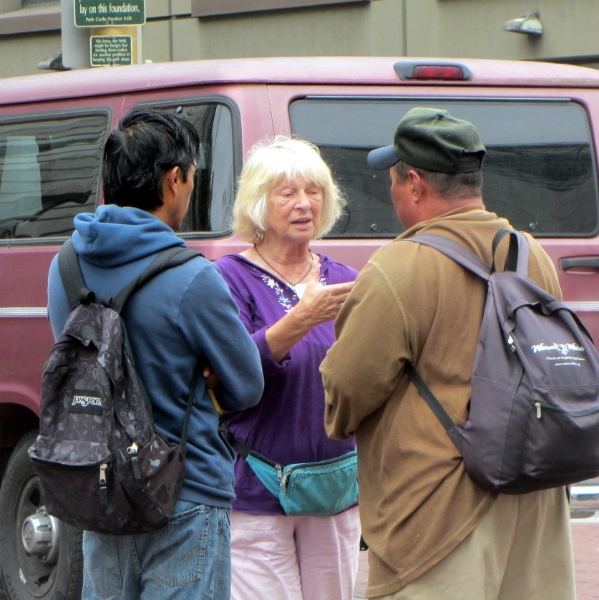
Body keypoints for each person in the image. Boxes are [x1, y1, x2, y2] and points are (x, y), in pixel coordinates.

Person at [321, 107, 576, 600]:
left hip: (439, 511)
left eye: (394, 179)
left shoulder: (398, 267)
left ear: (414, 183)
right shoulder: (530, 252)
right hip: (535, 495)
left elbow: (348, 390)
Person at [46, 108, 264, 599]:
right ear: (173, 181)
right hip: (183, 492)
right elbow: (248, 385)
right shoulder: (192, 276)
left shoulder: (65, 267)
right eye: (191, 177)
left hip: (100, 490)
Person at [215, 136, 361, 600]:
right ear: (260, 204)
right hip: (258, 489)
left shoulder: (344, 280)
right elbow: (228, 371)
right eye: (288, 192)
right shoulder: (228, 278)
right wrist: (299, 320)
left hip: (336, 488)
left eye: (314, 191)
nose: (304, 204)